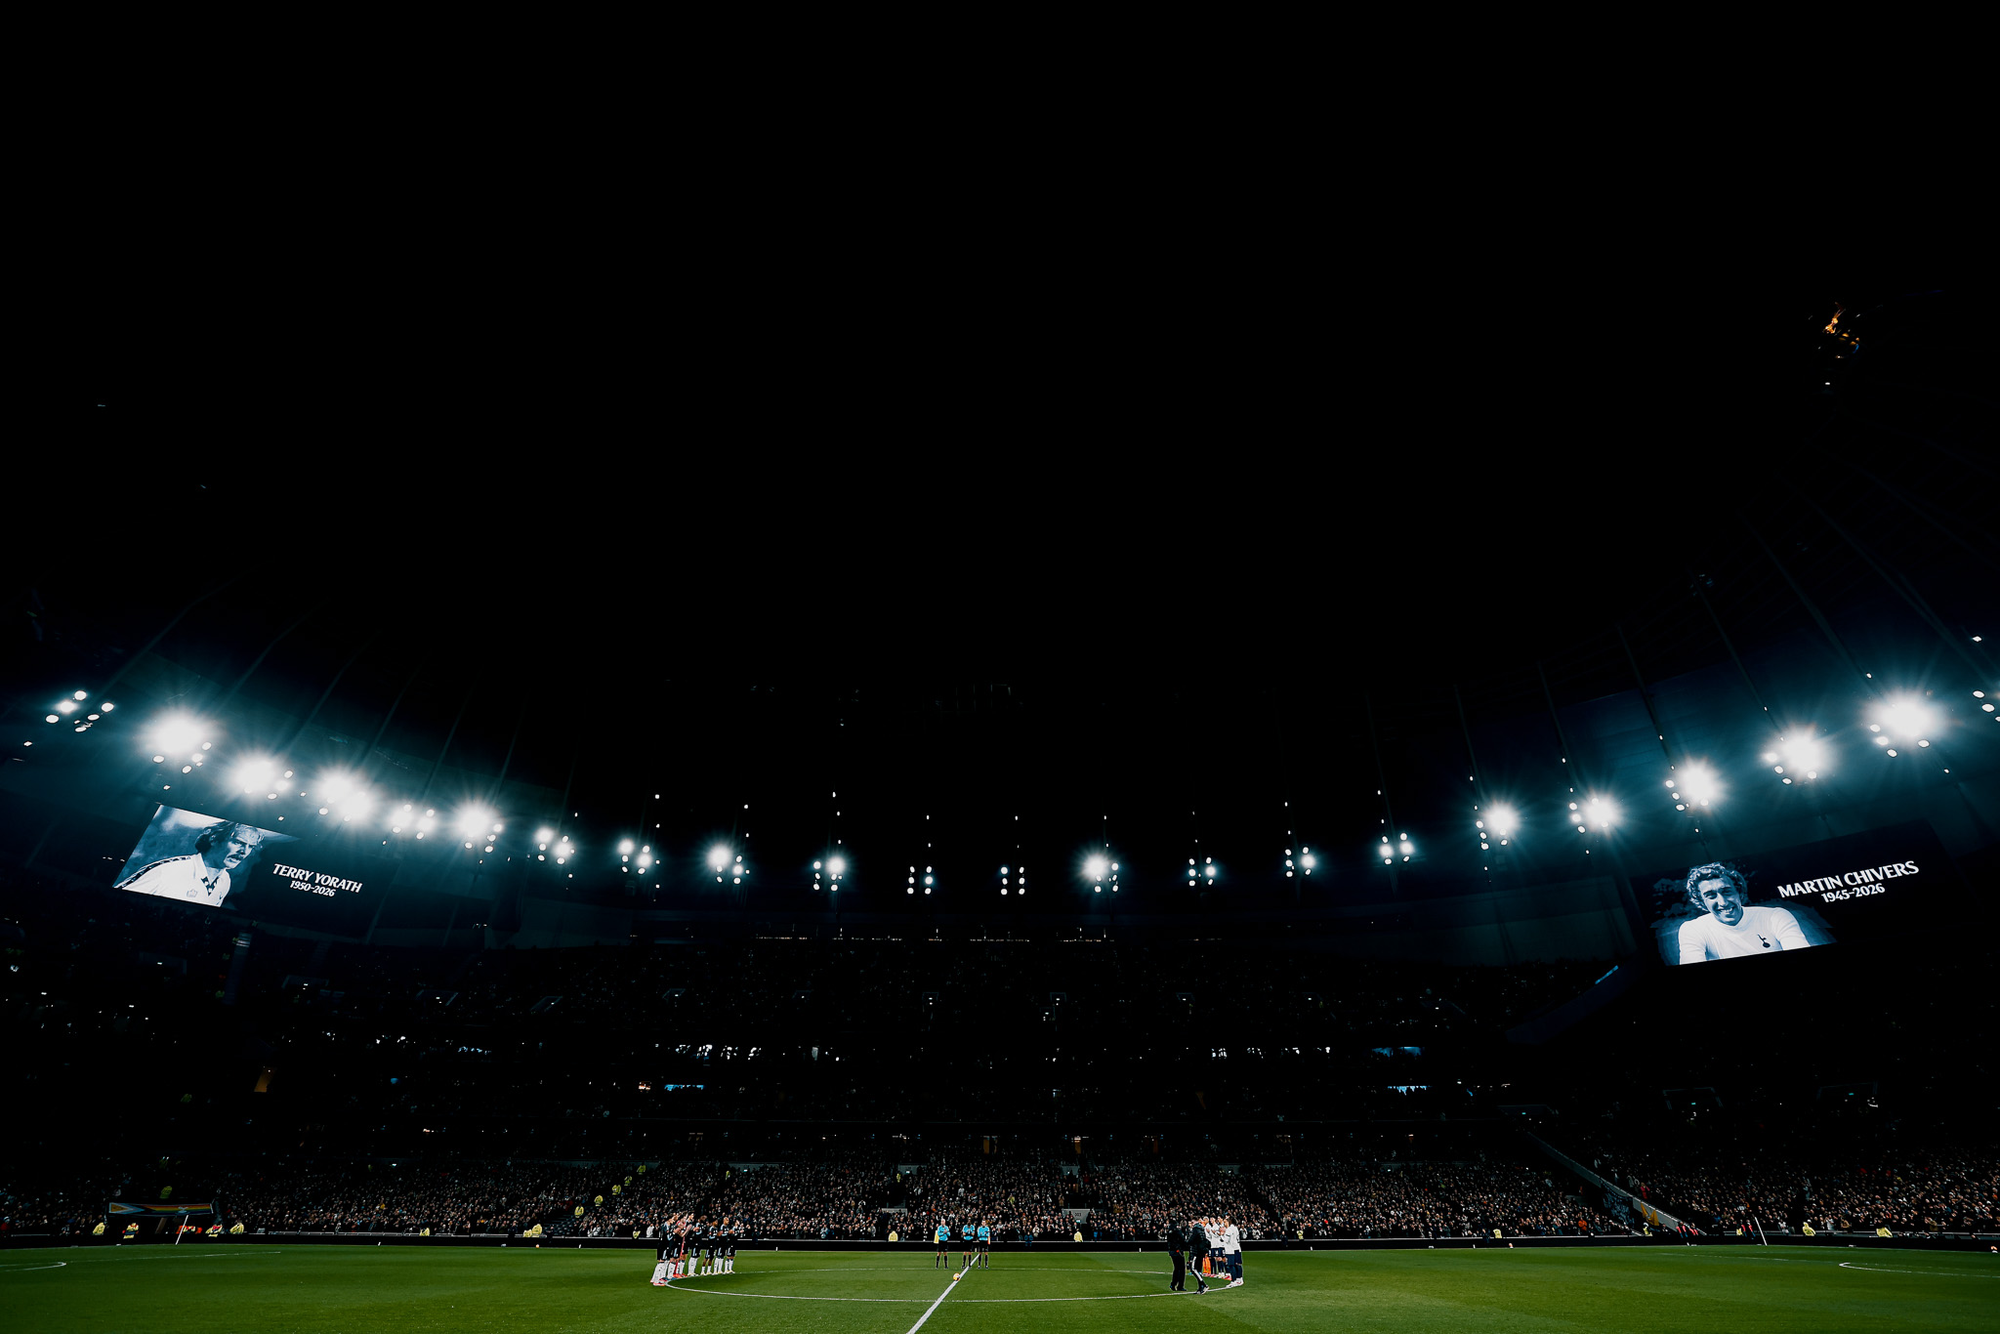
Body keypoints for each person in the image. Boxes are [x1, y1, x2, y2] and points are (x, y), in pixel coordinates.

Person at [1675, 863, 1813, 964]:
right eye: (1711, 896)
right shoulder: (1693, 929)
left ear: (1739, 893)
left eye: (1727, 892)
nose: (1723, 902)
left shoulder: (1776, 916)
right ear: (1702, 902)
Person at [115, 821, 265, 907]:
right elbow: (115, 899)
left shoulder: (225, 880)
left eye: (250, 847)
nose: (244, 852)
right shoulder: (167, 870)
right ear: (214, 839)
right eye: (238, 842)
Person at [1222, 1214, 1243, 1285]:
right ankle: (1239, 1279)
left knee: (1231, 1265)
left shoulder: (1229, 1230)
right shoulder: (1235, 1228)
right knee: (1237, 1264)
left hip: (1230, 1249)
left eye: (1225, 1222)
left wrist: (1222, 1235)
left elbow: (1226, 1240)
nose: (1224, 1224)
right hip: (1236, 1248)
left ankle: (1233, 1280)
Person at [1167, 1221, 1188, 1291]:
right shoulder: (1177, 1232)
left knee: (1176, 1268)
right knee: (1181, 1269)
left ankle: (1173, 1284)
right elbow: (1182, 1240)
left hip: (1172, 1251)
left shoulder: (1169, 1232)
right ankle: (1180, 1285)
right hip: (1178, 1251)